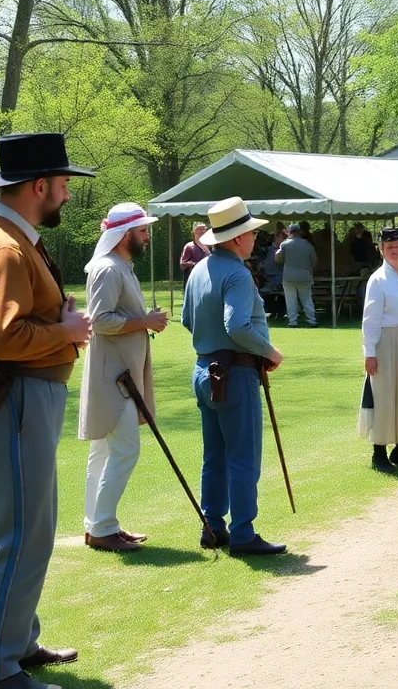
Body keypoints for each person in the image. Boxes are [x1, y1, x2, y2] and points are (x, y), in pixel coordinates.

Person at [0, 132, 94, 689]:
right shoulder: (6, 246)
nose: (65, 194)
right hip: (13, 397)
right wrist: (64, 330)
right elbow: (1, 336)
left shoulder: (11, 236)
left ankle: (16, 642)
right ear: (39, 186)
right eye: (61, 184)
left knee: (15, 532)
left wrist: (60, 323)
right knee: (16, 536)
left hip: (15, 398)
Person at [182, 197, 287, 557]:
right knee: (243, 457)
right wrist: (269, 352)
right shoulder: (238, 274)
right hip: (235, 373)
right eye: (250, 232)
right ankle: (243, 532)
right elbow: (237, 325)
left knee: (215, 455)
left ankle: (213, 525)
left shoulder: (199, 270)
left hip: (204, 369)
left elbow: (187, 320)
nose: (254, 238)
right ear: (238, 238)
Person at [79, 203, 167, 553]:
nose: (147, 236)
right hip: (113, 376)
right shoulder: (108, 269)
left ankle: (99, 523)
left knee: (104, 451)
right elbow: (100, 320)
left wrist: (143, 321)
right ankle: (101, 527)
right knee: (124, 448)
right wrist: (145, 321)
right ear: (124, 234)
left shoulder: (120, 266)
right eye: (143, 231)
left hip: (118, 372)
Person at [362, 226, 398, 470]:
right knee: (383, 394)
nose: (394, 250)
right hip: (385, 340)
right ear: (381, 249)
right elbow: (370, 319)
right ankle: (378, 452)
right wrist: (369, 353)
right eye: (389, 246)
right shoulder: (378, 279)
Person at [275, 224, 319, 328]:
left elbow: (277, 258)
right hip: (304, 275)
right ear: (299, 232)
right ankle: (312, 320)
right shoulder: (308, 245)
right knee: (307, 299)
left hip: (289, 275)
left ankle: (293, 321)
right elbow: (315, 260)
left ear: (289, 232)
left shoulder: (285, 244)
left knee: (291, 300)